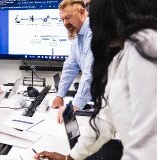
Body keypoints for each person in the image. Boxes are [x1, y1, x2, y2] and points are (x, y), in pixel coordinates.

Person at [35, 0, 157, 159]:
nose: (90, 20)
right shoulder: (122, 55)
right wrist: (70, 158)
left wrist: (76, 104)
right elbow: (105, 119)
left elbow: (147, 146)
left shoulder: (146, 48)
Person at [51, 0, 93, 123]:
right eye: (62, 19)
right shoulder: (78, 34)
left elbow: (90, 73)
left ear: (81, 12)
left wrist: (74, 106)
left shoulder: (93, 31)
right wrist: (60, 95)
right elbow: (70, 67)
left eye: (68, 18)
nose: (65, 23)